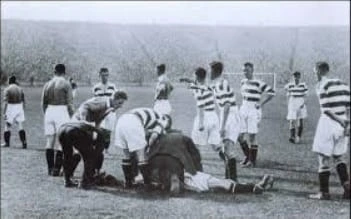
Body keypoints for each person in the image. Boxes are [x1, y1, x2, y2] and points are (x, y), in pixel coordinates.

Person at [147, 132, 274, 195]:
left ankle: (256, 186)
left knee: (223, 184)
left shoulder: (157, 161)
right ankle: (256, 187)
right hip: (191, 180)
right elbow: (174, 187)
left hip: (190, 177)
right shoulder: (157, 166)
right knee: (223, 184)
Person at [309, 61, 350, 200]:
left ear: (319, 71)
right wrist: (347, 123)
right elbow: (349, 107)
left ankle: (324, 192)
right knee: (339, 157)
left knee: (323, 158)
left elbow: (326, 110)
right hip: (343, 123)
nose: (314, 74)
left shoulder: (321, 85)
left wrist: (340, 121)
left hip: (329, 123)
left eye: (315, 71)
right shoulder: (344, 84)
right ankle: (347, 188)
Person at [72, 90, 128, 174]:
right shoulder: (103, 102)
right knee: (81, 150)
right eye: (120, 103)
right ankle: (69, 173)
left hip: (88, 123)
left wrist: (96, 130)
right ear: (114, 99)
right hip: (77, 122)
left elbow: (99, 119)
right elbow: (85, 106)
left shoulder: (110, 107)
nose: (121, 106)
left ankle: (94, 171)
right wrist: (83, 122)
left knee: (97, 149)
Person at [114, 107, 171, 188]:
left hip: (121, 120)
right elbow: (154, 136)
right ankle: (147, 184)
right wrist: (148, 147)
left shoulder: (152, 115)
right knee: (142, 156)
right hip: (134, 121)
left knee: (127, 155)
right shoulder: (164, 120)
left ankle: (128, 183)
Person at [179, 67, 225, 160]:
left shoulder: (199, 90)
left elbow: (200, 106)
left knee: (195, 144)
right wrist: (187, 80)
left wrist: (200, 123)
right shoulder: (208, 85)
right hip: (214, 116)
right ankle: (228, 160)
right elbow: (196, 83)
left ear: (196, 76)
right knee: (215, 144)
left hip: (204, 117)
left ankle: (195, 167)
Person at [238, 62, 275, 168]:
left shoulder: (258, 82)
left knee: (251, 136)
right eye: (244, 70)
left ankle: (251, 161)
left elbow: (272, 92)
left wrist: (261, 103)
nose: (245, 72)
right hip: (243, 108)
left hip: (253, 109)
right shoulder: (243, 82)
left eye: (247, 70)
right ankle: (248, 156)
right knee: (239, 136)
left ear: (252, 70)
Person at [42, 64, 74, 176]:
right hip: (61, 110)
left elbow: (43, 103)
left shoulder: (47, 84)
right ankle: (56, 169)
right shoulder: (66, 83)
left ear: (54, 72)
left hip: (49, 110)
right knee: (62, 141)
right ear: (64, 72)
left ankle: (50, 169)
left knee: (49, 141)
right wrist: (72, 117)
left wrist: (46, 114)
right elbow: (70, 103)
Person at [209, 61, 239, 181]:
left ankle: (232, 180)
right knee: (223, 148)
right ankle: (229, 179)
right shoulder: (217, 83)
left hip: (230, 115)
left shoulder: (222, 83)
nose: (209, 73)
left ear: (215, 71)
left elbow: (227, 105)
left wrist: (222, 126)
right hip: (225, 114)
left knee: (227, 148)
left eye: (210, 70)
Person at [58, 122, 111, 188]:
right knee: (89, 157)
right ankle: (85, 182)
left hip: (62, 129)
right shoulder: (101, 135)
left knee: (67, 155)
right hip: (76, 130)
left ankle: (67, 181)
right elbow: (95, 153)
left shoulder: (94, 129)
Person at [2, 76, 27, 149]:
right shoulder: (20, 88)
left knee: (7, 125)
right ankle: (24, 142)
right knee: (20, 125)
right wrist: (22, 109)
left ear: (9, 81)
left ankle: (7, 143)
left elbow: (5, 102)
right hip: (19, 106)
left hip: (11, 107)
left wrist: (4, 112)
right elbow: (23, 100)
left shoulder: (7, 89)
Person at [284, 71, 308, 143]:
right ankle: (292, 136)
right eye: (294, 76)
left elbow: (306, 96)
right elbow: (287, 92)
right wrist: (289, 100)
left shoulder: (303, 85)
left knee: (300, 120)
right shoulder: (289, 85)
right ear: (293, 77)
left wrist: (303, 103)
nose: (296, 78)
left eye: (297, 76)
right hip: (292, 102)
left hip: (300, 102)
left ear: (299, 77)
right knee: (292, 120)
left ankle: (298, 137)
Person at [92, 67, 118, 132]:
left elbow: (116, 99)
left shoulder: (113, 86)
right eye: (103, 75)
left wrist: (114, 109)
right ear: (99, 75)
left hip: (110, 112)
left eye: (106, 75)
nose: (105, 77)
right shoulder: (96, 87)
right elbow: (94, 101)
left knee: (109, 132)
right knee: (100, 131)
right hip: (100, 112)